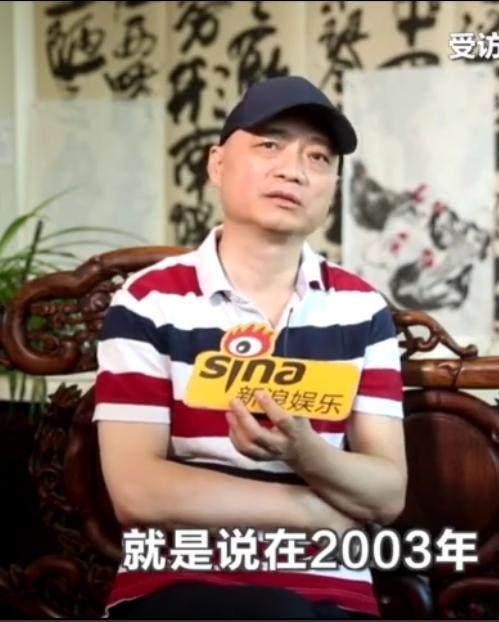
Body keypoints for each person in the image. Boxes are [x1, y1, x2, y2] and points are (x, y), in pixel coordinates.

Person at [94, 74, 408, 619]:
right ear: (218, 164)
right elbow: (137, 490)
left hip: (335, 596)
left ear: (333, 188)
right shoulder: (149, 301)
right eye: (269, 145)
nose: (293, 169)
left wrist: (304, 453)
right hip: (177, 584)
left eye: (318, 157)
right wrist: (317, 513)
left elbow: (386, 492)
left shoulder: (361, 309)